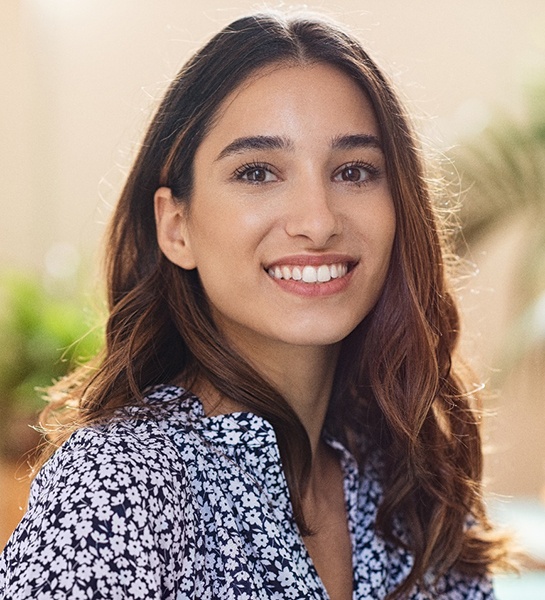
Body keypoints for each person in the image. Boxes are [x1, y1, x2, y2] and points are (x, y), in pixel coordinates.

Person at [0, 11, 508, 600]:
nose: (317, 222)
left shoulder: (414, 483)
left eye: (353, 171)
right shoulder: (118, 486)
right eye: (258, 171)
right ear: (176, 226)